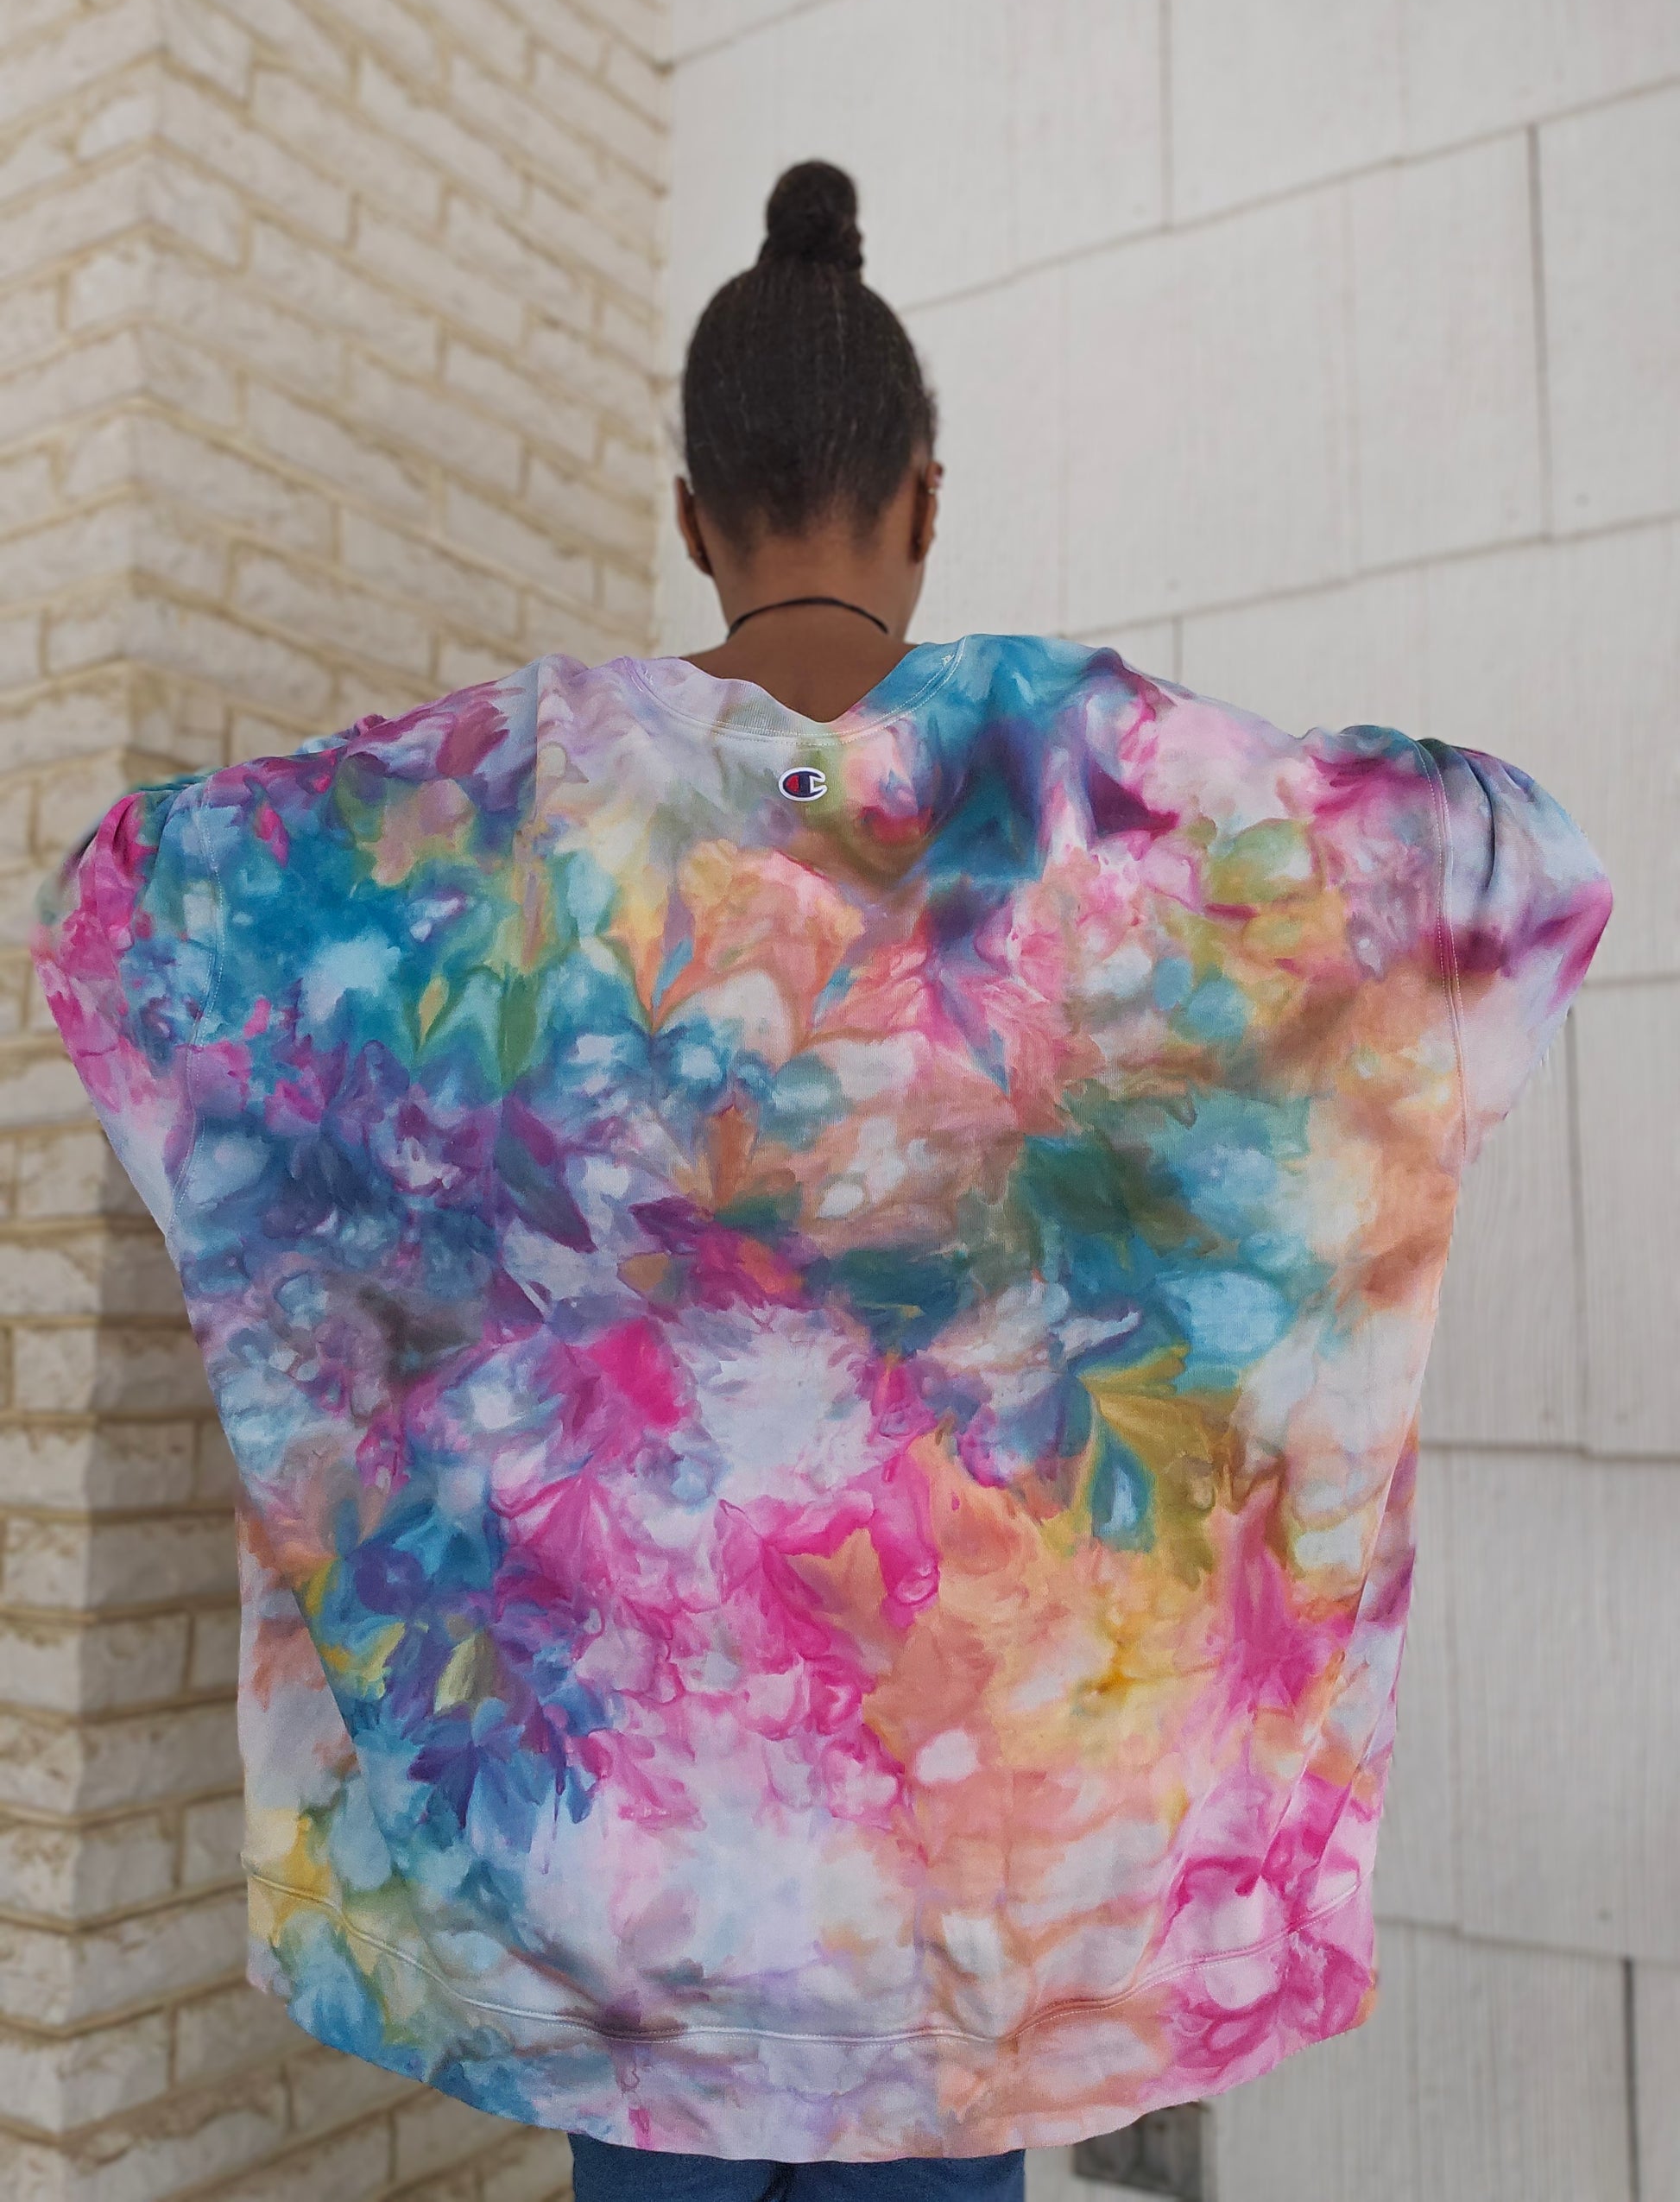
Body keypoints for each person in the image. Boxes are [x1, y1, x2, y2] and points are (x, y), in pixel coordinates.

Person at [31, 160, 1613, 2202]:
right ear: (924, 499)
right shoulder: (1085, 798)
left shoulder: (532, 811)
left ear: (693, 516)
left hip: (629, 1928)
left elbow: (124, 908)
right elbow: (1514, 864)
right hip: (965, 1926)